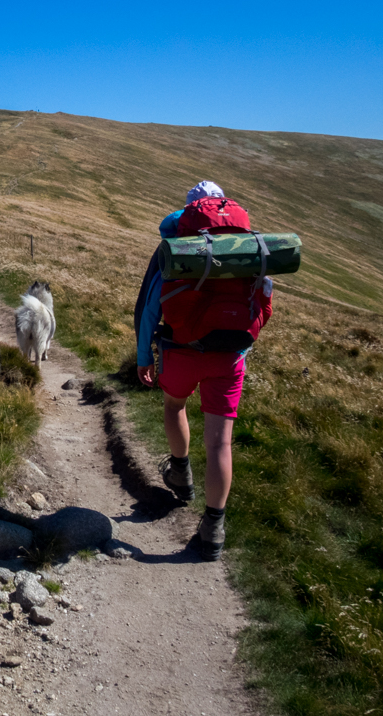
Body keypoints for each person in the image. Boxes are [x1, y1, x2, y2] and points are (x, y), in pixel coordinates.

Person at [133, 180, 273, 561]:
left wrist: (144, 354)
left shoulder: (178, 248)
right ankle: (213, 527)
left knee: (174, 405)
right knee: (220, 443)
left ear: (189, 212)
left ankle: (180, 473)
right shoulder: (248, 249)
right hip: (229, 356)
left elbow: (149, 307)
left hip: (180, 349)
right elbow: (264, 298)